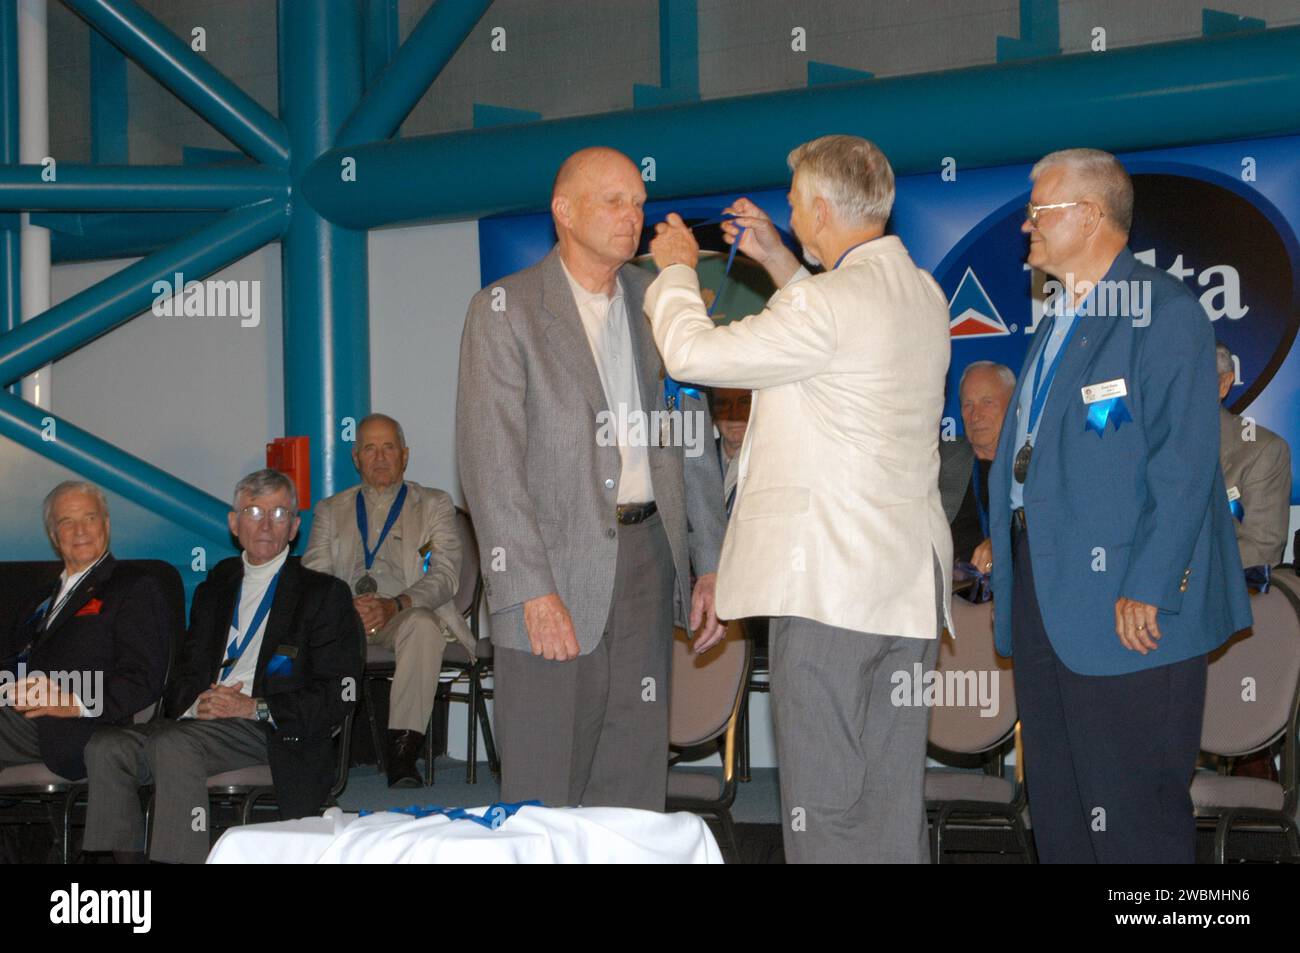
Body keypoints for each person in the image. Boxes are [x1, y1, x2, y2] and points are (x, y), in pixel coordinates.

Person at [645, 134, 952, 863]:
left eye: (792, 205)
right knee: (888, 802)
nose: (788, 213)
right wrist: (782, 259)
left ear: (818, 207)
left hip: (828, 590)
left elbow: (693, 354)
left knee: (823, 807)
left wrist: (678, 274)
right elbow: (835, 337)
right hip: (905, 592)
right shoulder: (923, 293)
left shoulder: (827, 305)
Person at [986, 148, 1252, 863]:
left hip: (1127, 601)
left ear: (1090, 216)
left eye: (1039, 211)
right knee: (1064, 815)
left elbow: (1185, 463)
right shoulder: (1056, 322)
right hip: (1048, 595)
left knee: (1135, 821)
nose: (1026, 227)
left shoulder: (1162, 312)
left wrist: (1148, 581)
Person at [456, 146, 726, 811]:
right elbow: (489, 467)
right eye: (613, 200)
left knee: (633, 782)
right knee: (547, 785)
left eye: (638, 202)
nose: (632, 216)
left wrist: (713, 563)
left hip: (647, 564)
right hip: (549, 572)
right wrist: (528, 590)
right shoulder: (505, 309)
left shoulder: (659, 304)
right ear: (563, 211)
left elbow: (692, 438)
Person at [83, 469, 363, 864]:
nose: (267, 524)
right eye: (253, 511)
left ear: (295, 527)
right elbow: (180, 676)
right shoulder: (214, 589)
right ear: (234, 524)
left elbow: (339, 694)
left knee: (173, 743)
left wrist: (253, 706)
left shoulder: (322, 595)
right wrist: (198, 704)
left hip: (272, 730)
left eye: (280, 513)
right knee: (106, 746)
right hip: (202, 722)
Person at [303, 413, 474, 787]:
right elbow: (313, 579)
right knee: (300, 628)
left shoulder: (433, 504)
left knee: (424, 626)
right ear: (356, 458)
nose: (380, 457)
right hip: (344, 617)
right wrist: (345, 609)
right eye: (369, 448)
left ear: (405, 455)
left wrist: (395, 604)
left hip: (404, 612)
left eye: (389, 447)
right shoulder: (330, 511)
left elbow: (443, 576)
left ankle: (402, 753)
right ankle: (310, 752)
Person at [0, 482, 169, 780]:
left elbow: (142, 679)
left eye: (89, 519)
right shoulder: (36, 600)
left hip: (79, 725)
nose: (80, 531)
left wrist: (74, 701)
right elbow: (10, 663)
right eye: (67, 522)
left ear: (106, 524)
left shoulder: (132, 587)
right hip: (17, 713)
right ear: (54, 536)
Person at [1215, 343, 1292, 574]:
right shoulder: (1141, 447)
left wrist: (1170, 571)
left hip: (1215, 599)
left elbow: (1261, 552)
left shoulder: (1262, 450)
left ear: (1224, 384)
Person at [939, 361, 1016, 573]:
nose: (975, 415)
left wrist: (1006, 544)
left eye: (987, 402)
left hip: (1014, 586)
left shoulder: (1037, 465)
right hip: (949, 587)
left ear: (1014, 405)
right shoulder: (940, 457)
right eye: (968, 405)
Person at [711, 386, 751, 515]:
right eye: (723, 404)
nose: (734, 414)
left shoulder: (771, 462)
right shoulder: (696, 461)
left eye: (744, 403)